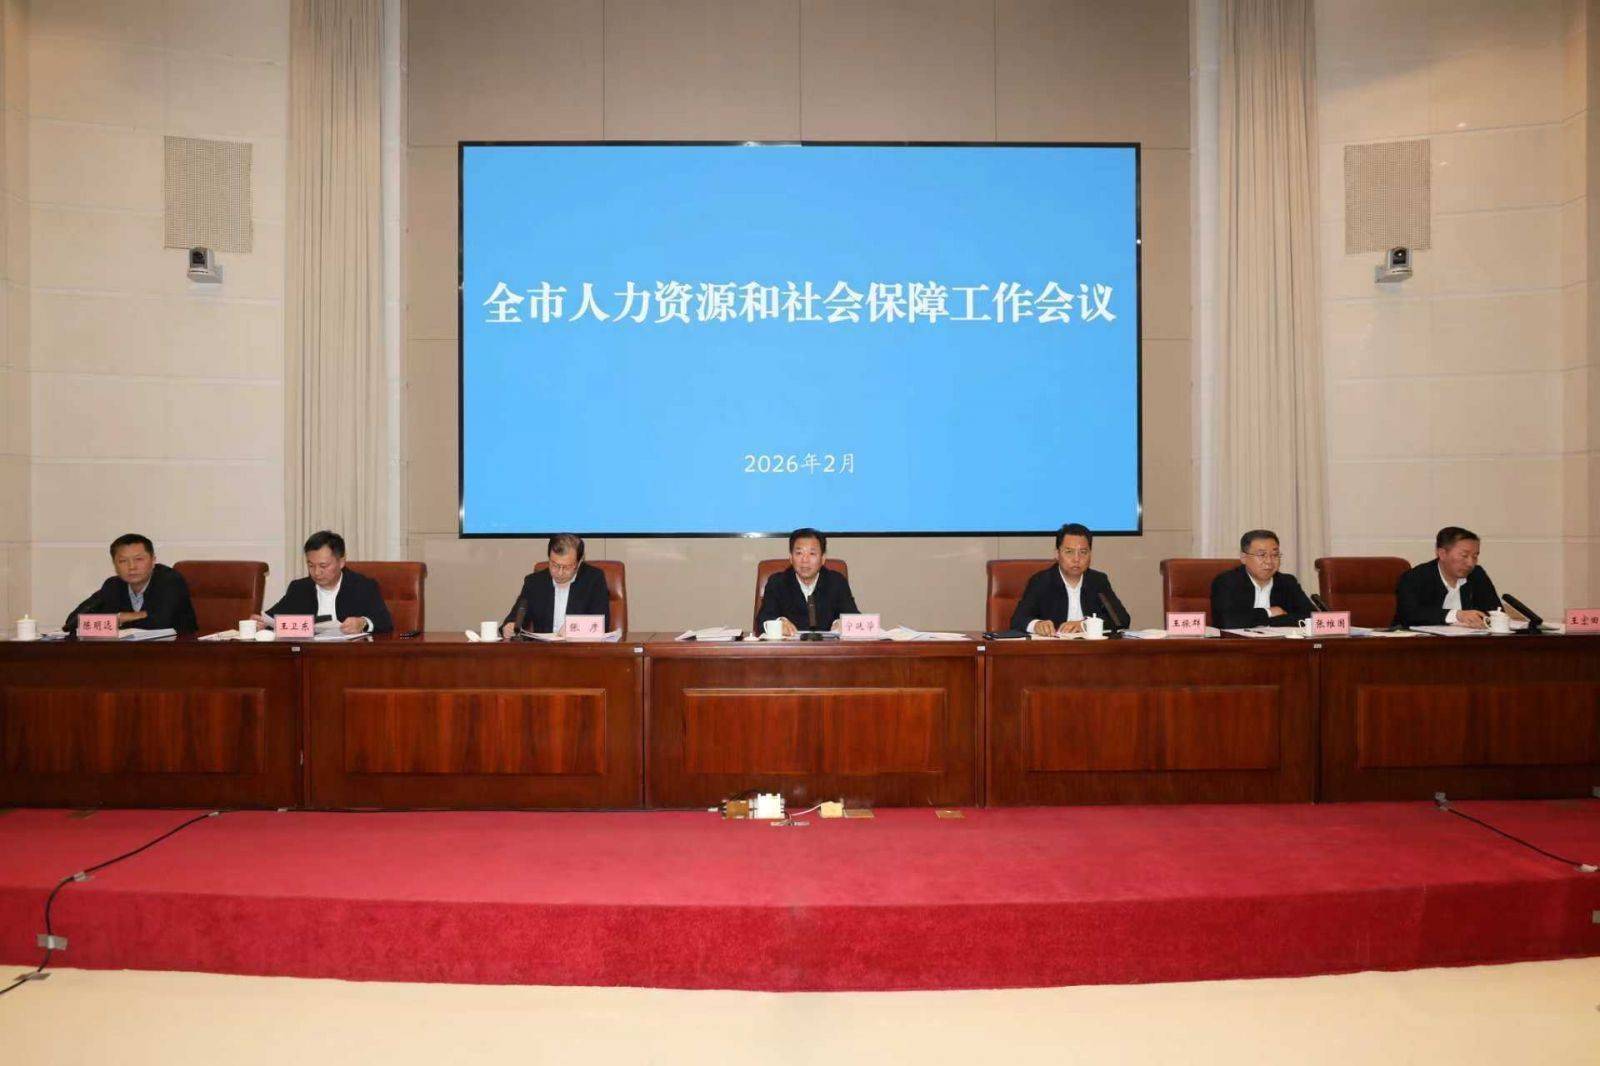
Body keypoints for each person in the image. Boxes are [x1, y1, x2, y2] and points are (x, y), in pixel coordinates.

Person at [263, 530, 392, 634]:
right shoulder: (299, 588)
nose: (316, 572)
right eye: (311, 565)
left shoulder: (363, 586)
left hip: (347, 654)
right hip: (308, 654)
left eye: (323, 566)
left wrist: (363, 623)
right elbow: (271, 619)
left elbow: (385, 622)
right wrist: (260, 623)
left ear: (341, 562)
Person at [1010, 523, 1129, 634]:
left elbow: (1121, 619)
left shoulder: (1098, 581)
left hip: (1091, 648)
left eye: (1083, 552)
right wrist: (1037, 625)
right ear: (1057, 554)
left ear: (1090, 554)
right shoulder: (1041, 581)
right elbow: (1018, 620)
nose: (1076, 559)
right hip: (1055, 648)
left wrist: (1085, 625)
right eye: (1069, 552)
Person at [64, 533, 198, 634]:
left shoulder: (170, 580)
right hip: (127, 655)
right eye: (123, 561)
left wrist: (118, 619)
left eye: (139, 559)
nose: (132, 567)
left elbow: (161, 622)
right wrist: (124, 617)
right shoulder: (113, 586)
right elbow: (72, 623)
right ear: (115, 565)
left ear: (153, 561)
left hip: (176, 654)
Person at [501, 533, 611, 637]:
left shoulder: (593, 579)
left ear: (579, 562)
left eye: (567, 567)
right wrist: (509, 627)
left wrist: (573, 629)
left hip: (579, 648)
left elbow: (601, 624)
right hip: (544, 649)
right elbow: (516, 618)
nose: (560, 572)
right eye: (554, 565)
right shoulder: (534, 582)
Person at [756, 527, 859, 636]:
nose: (805, 560)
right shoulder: (777, 583)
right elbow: (763, 620)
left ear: (823, 558)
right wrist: (777, 624)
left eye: (812, 553)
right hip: (790, 646)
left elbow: (854, 618)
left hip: (828, 646)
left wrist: (842, 623)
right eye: (799, 553)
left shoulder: (836, 582)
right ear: (791, 557)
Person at [1393, 525, 1501, 629]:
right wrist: (1457, 615)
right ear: (1442, 554)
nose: (1470, 563)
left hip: (1470, 639)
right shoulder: (1415, 577)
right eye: (1464, 556)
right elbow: (1410, 614)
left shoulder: (1477, 574)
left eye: (1475, 556)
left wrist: (1483, 620)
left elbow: (1495, 611)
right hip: (1422, 640)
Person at [1210, 529, 1315, 629]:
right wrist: (1269, 612)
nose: (1269, 561)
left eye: (1275, 555)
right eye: (1261, 555)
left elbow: (1311, 617)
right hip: (1239, 642)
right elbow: (1226, 621)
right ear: (1244, 558)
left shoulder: (1287, 582)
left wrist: (1261, 620)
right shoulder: (1226, 582)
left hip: (1279, 641)